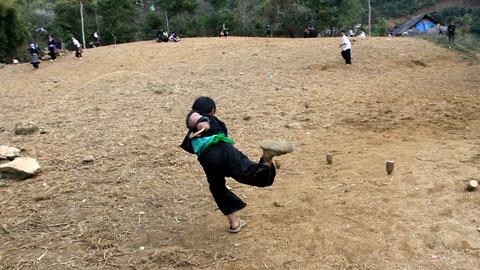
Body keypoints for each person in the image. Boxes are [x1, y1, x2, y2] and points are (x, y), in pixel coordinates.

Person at [180, 97, 293, 233]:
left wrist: (200, 124)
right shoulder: (207, 119)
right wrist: (201, 123)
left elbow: (194, 118)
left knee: (217, 188)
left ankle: (234, 222)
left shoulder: (199, 120)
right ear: (213, 111)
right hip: (227, 152)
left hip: (210, 159)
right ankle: (266, 158)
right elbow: (195, 117)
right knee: (252, 174)